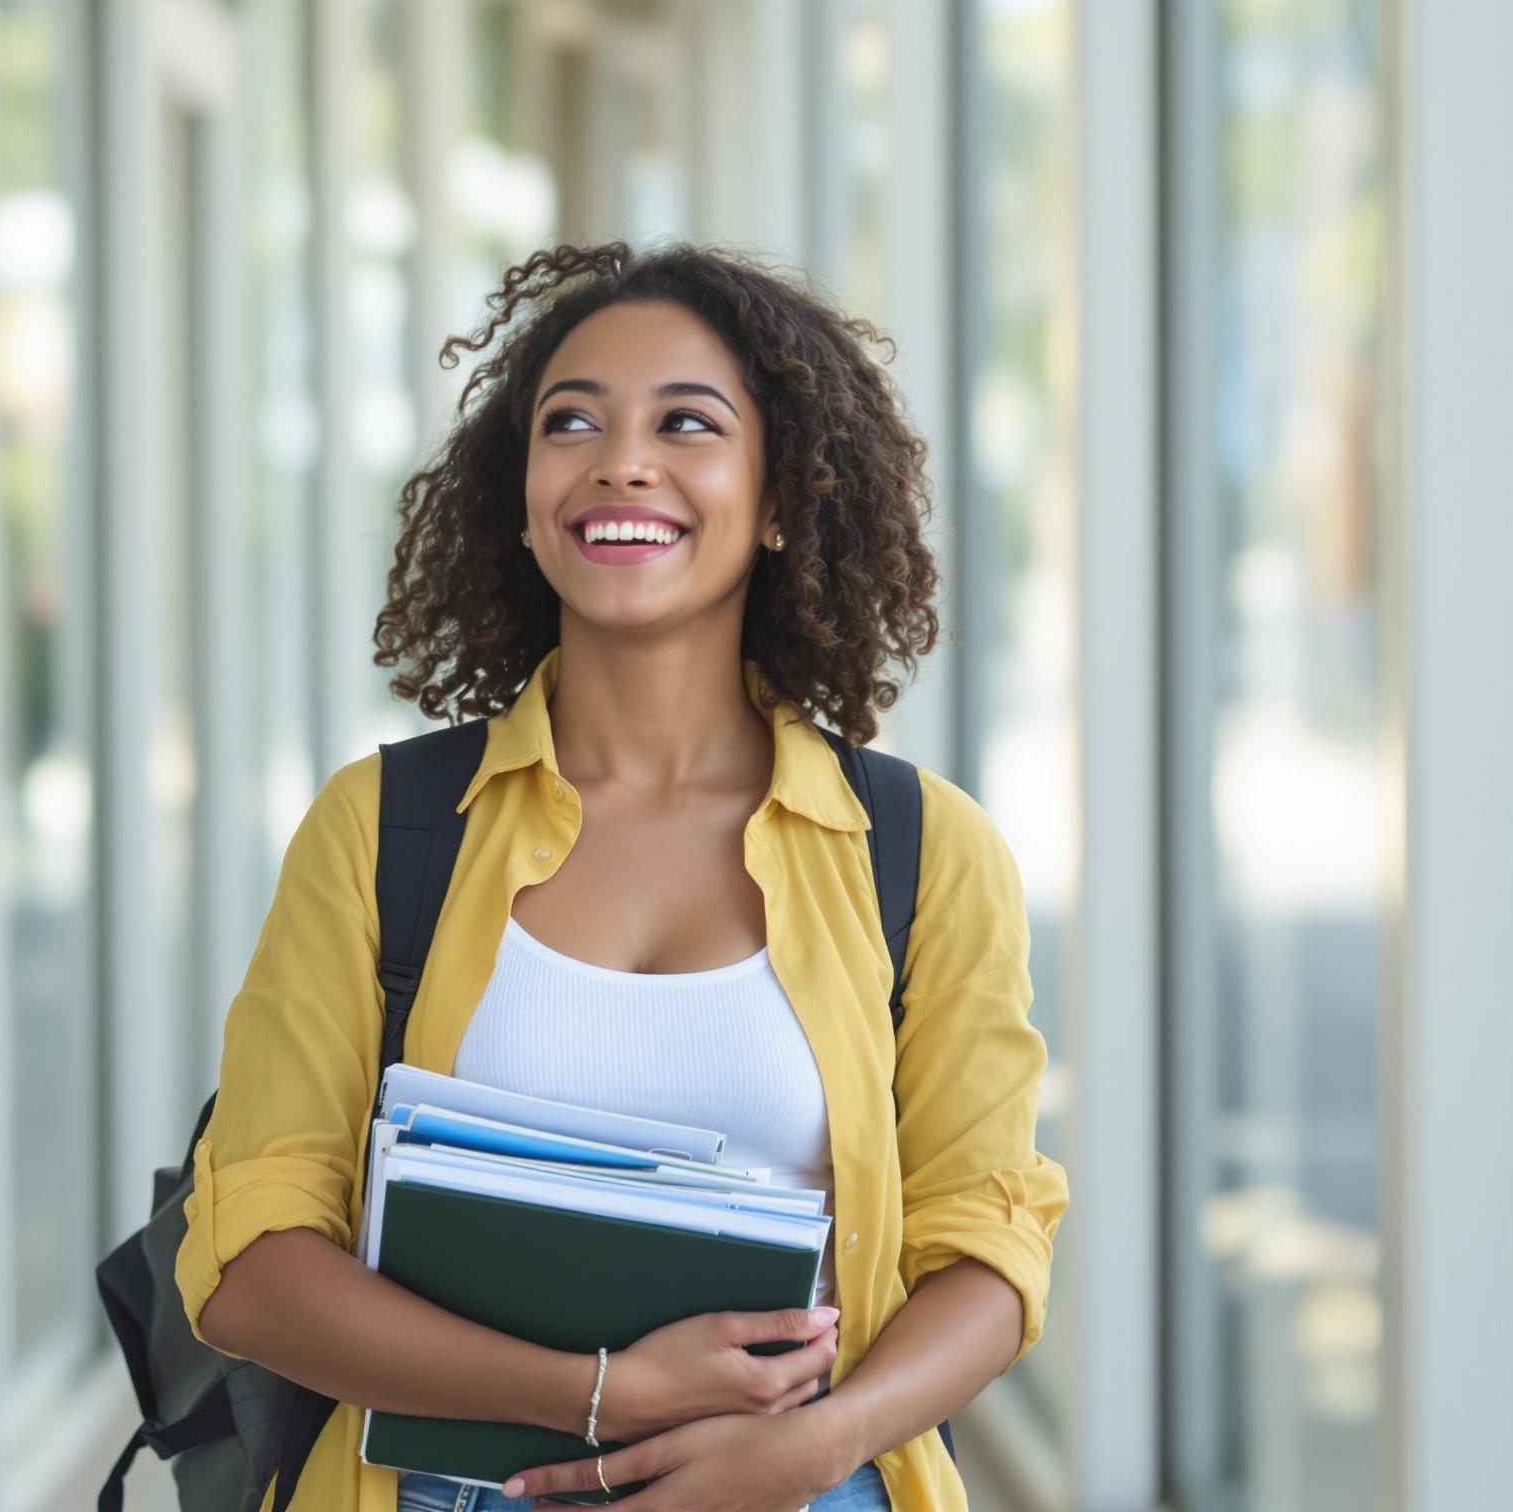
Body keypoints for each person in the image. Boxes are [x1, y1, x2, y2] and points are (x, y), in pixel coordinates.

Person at [175, 241, 1067, 1512]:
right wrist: (595, 1394)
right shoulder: (383, 829)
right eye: (571, 422)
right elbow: (249, 1261)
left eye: (685, 423)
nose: (619, 459)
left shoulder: (921, 852)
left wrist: (814, 1447)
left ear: (777, 498)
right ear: (525, 495)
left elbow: (987, 1244)